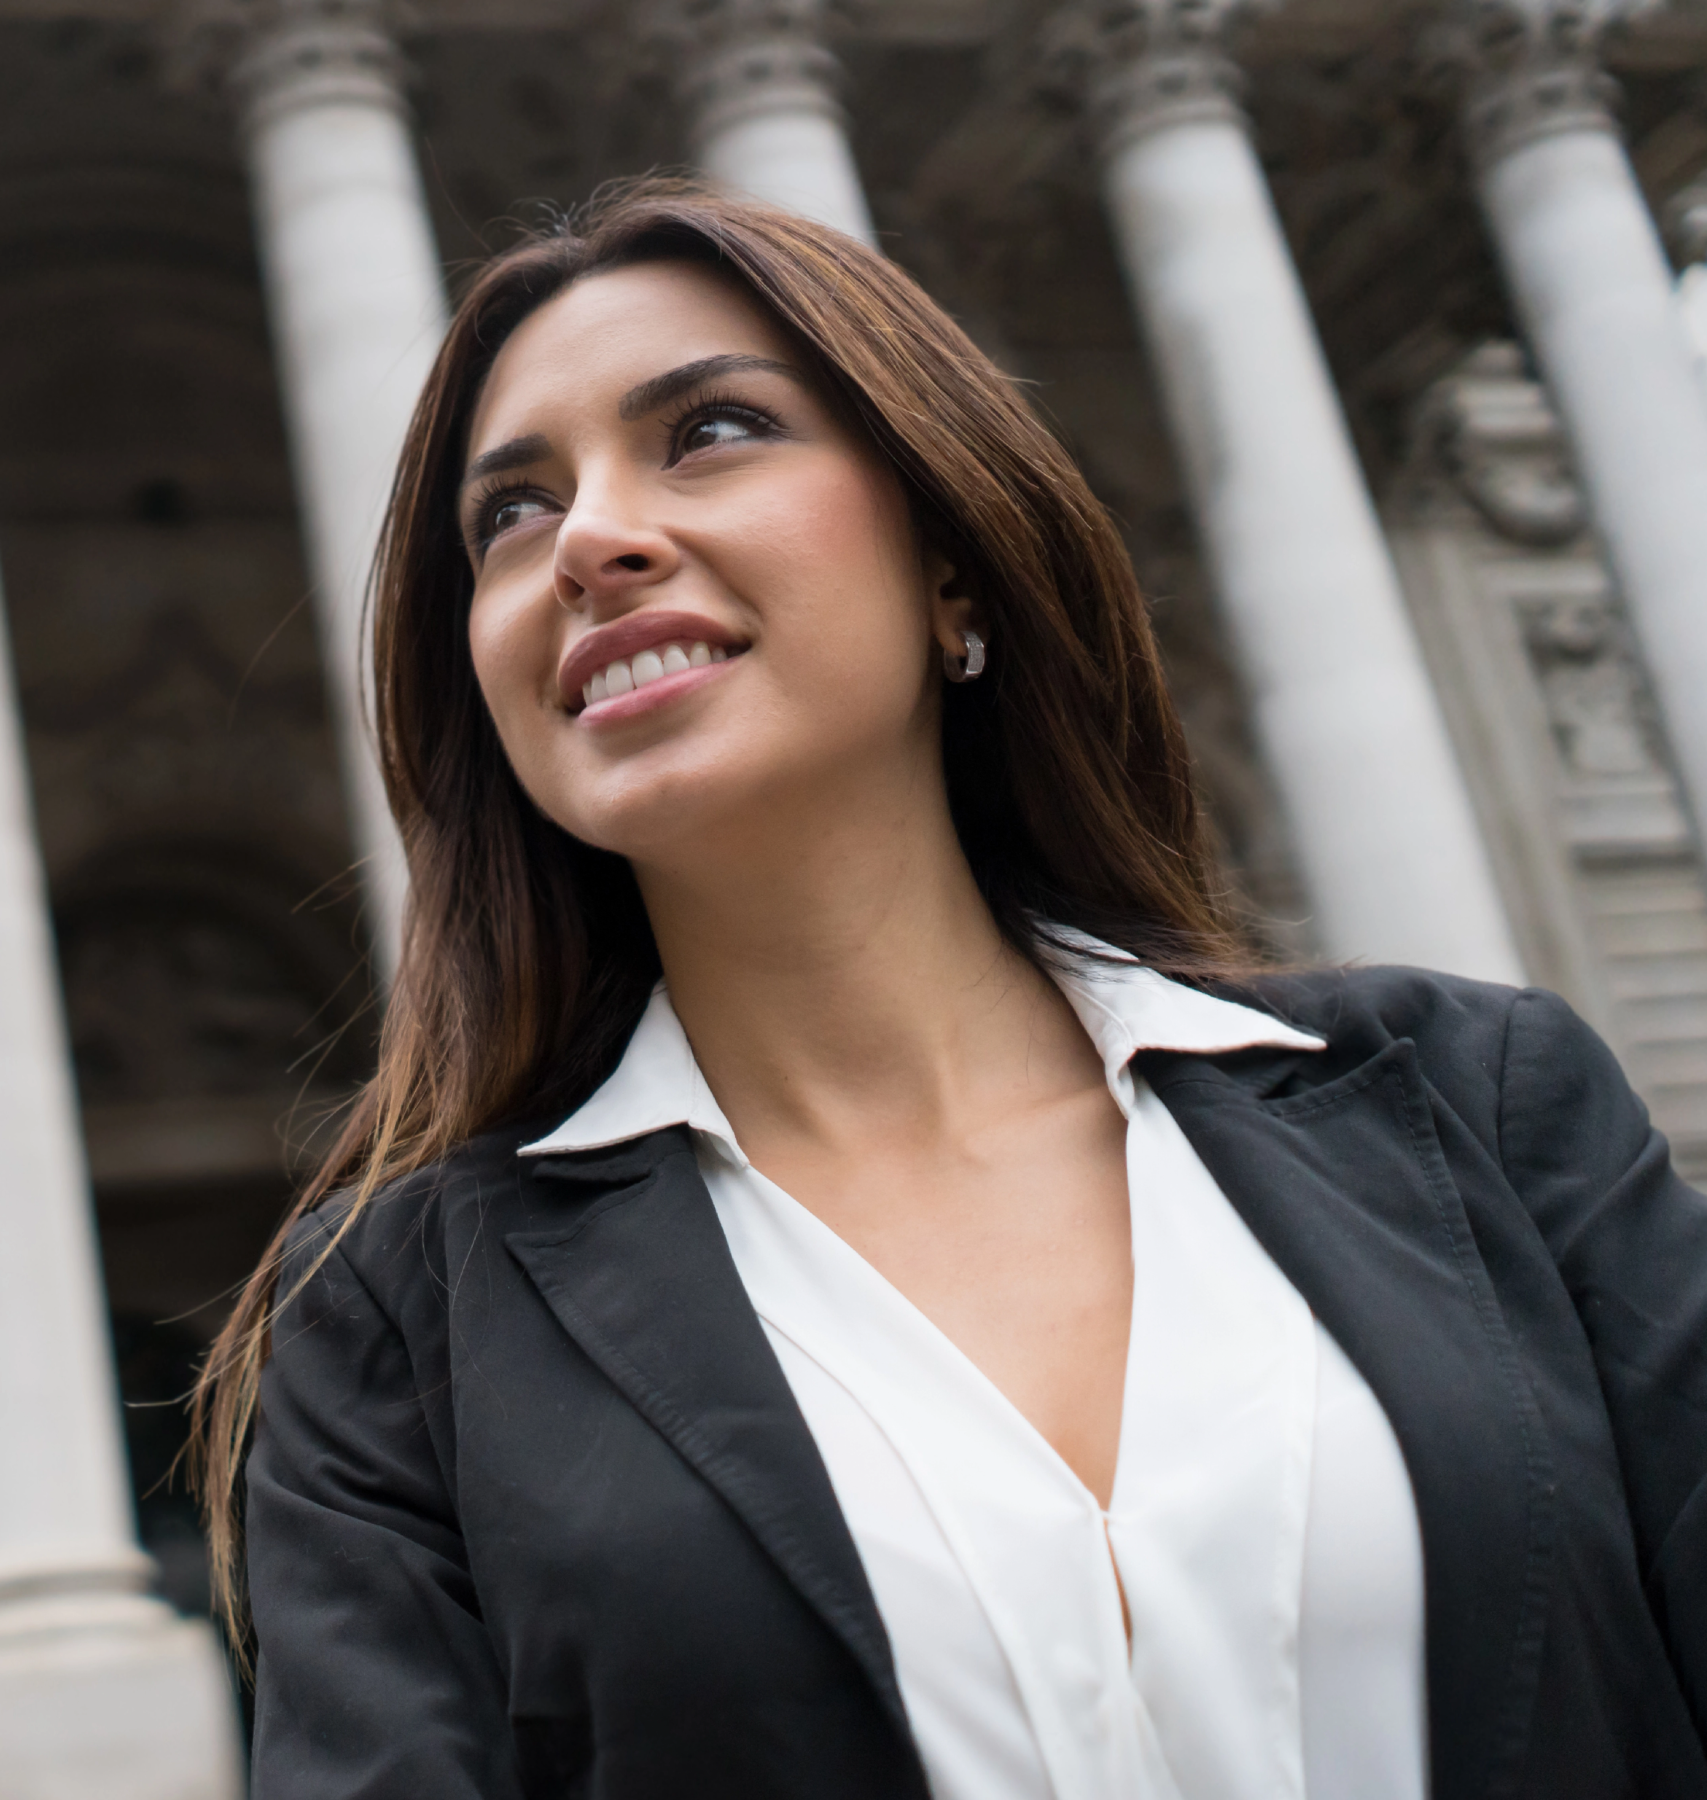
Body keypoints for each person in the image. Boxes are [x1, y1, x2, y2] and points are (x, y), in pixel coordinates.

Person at [187, 180, 1707, 1799]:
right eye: (510, 514)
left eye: (707, 432)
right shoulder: (392, 1327)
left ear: (954, 567)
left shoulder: (1483, 1103)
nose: (589, 542)